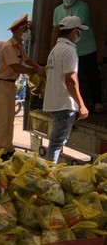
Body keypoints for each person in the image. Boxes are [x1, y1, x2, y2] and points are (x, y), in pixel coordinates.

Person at [0, 15, 45, 159]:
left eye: (28, 28)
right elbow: (16, 67)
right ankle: (1, 150)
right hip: (1, 84)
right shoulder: (8, 46)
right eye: (25, 29)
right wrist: (35, 71)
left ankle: (9, 147)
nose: (28, 31)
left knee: (10, 119)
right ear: (17, 31)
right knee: (2, 120)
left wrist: (39, 67)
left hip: (10, 85)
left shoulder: (18, 45)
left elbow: (27, 60)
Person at [50, 0, 103, 113]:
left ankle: (97, 102)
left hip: (86, 49)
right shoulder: (57, 10)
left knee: (92, 75)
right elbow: (55, 30)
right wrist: (52, 51)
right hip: (68, 50)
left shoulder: (82, 7)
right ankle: (75, 105)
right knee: (72, 78)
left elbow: (75, 26)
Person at [43, 16, 89, 163]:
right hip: (64, 103)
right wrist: (81, 104)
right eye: (79, 31)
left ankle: (49, 172)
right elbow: (71, 80)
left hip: (56, 102)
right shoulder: (69, 50)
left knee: (55, 142)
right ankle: (48, 175)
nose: (79, 35)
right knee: (57, 144)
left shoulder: (56, 49)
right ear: (75, 31)